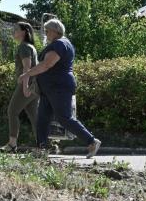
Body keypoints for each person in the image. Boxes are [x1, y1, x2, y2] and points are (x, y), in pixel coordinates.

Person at [18, 18, 101, 158]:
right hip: (50, 89)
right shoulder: (60, 43)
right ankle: (41, 149)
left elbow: (47, 64)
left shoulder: (60, 44)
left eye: (47, 30)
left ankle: (92, 141)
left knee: (64, 118)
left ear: (56, 31)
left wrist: (27, 74)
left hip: (58, 87)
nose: (45, 33)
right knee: (42, 119)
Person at [1, 22, 39, 152]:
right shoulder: (31, 46)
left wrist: (25, 87)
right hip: (35, 85)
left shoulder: (24, 47)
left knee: (12, 111)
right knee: (35, 117)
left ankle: (12, 144)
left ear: (24, 32)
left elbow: (27, 67)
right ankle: (44, 144)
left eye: (16, 29)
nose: (13, 31)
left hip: (27, 84)